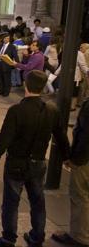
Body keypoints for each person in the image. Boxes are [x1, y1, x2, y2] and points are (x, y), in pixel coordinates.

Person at [0, 70, 71, 247]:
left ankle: (8, 238)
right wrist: (67, 157)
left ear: (26, 84)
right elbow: (61, 136)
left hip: (16, 162)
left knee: (11, 202)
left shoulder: (17, 110)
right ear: (42, 88)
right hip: (39, 162)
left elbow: (4, 138)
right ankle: (37, 236)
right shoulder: (51, 110)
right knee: (37, 201)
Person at [52, 99, 89, 247]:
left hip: (85, 160)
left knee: (80, 195)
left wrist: (76, 159)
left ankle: (80, 236)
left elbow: (86, 136)